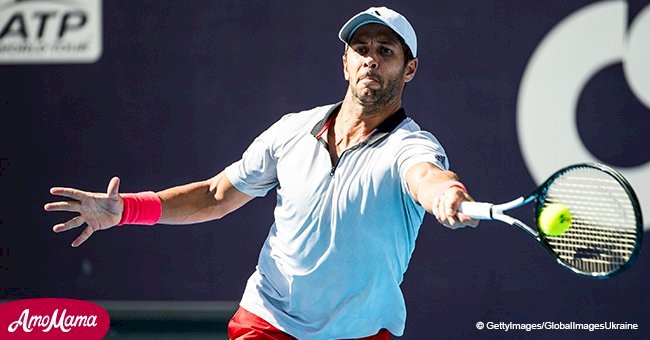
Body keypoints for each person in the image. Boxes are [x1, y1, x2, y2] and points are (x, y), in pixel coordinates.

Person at [45, 6, 478, 339]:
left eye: (386, 52)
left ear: (409, 68)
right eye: (361, 49)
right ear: (345, 63)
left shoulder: (411, 145)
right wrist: (125, 210)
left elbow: (426, 176)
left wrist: (446, 193)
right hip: (268, 320)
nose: (370, 60)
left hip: (360, 330)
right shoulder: (291, 130)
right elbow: (216, 196)